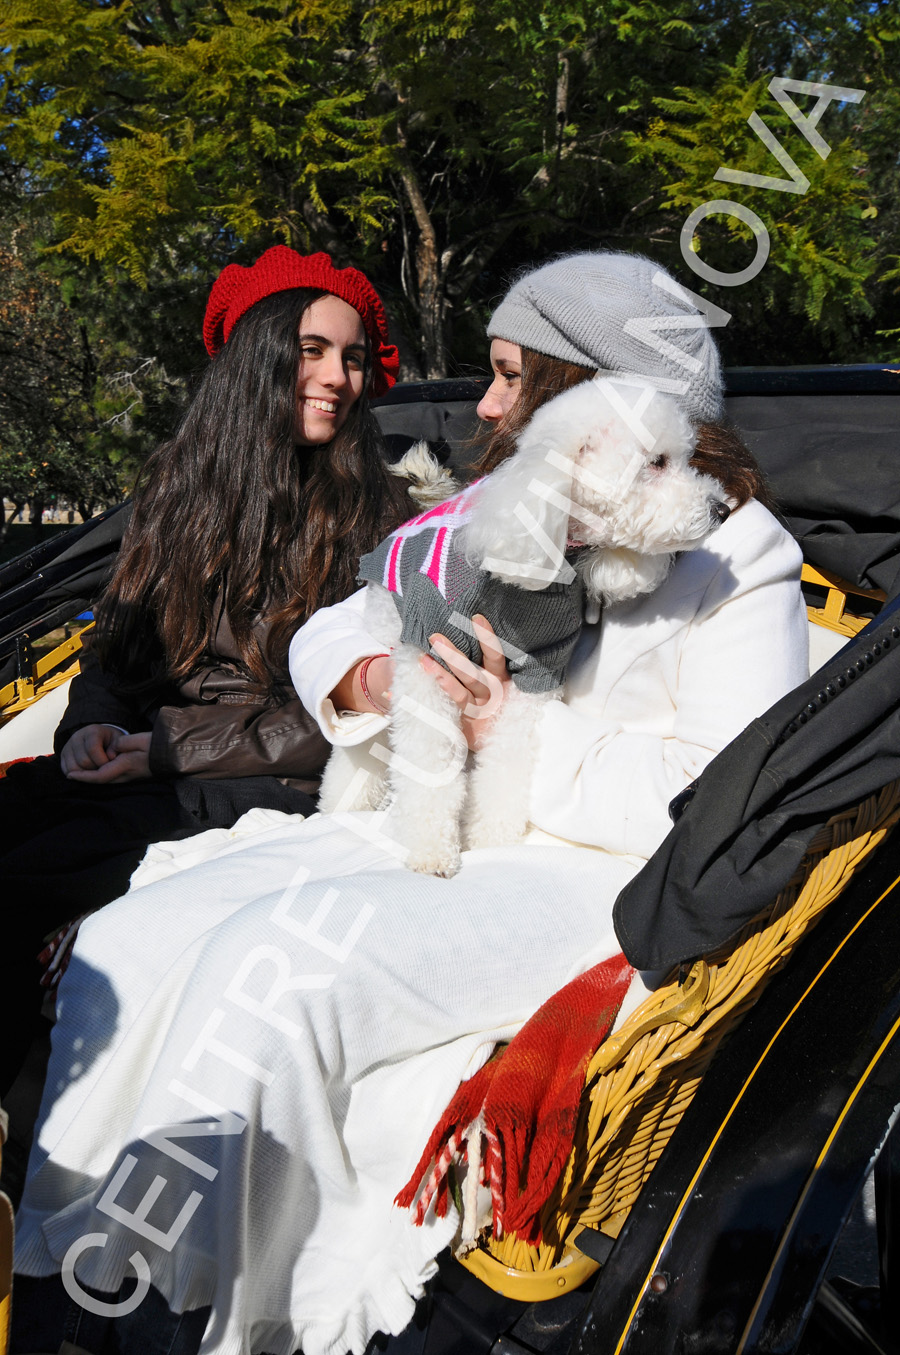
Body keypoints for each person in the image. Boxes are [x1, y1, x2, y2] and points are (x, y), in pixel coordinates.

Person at [12, 251, 809, 1355]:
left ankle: (210, 1318)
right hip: (424, 823)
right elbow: (345, 617)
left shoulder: (735, 553)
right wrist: (380, 676)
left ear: (590, 390)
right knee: (135, 938)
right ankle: (81, 1273)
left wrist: (512, 730)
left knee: (281, 978)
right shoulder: (499, 505)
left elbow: (717, 791)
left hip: (580, 864)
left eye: (507, 374)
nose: (483, 403)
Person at [0, 245, 413, 1096]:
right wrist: (88, 729)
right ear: (258, 356)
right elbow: (116, 650)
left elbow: (339, 719)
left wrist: (164, 746)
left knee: (24, 885)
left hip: (272, 786)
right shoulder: (176, 497)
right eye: (312, 350)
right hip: (146, 765)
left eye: (353, 357)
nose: (338, 375)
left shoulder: (379, 518)